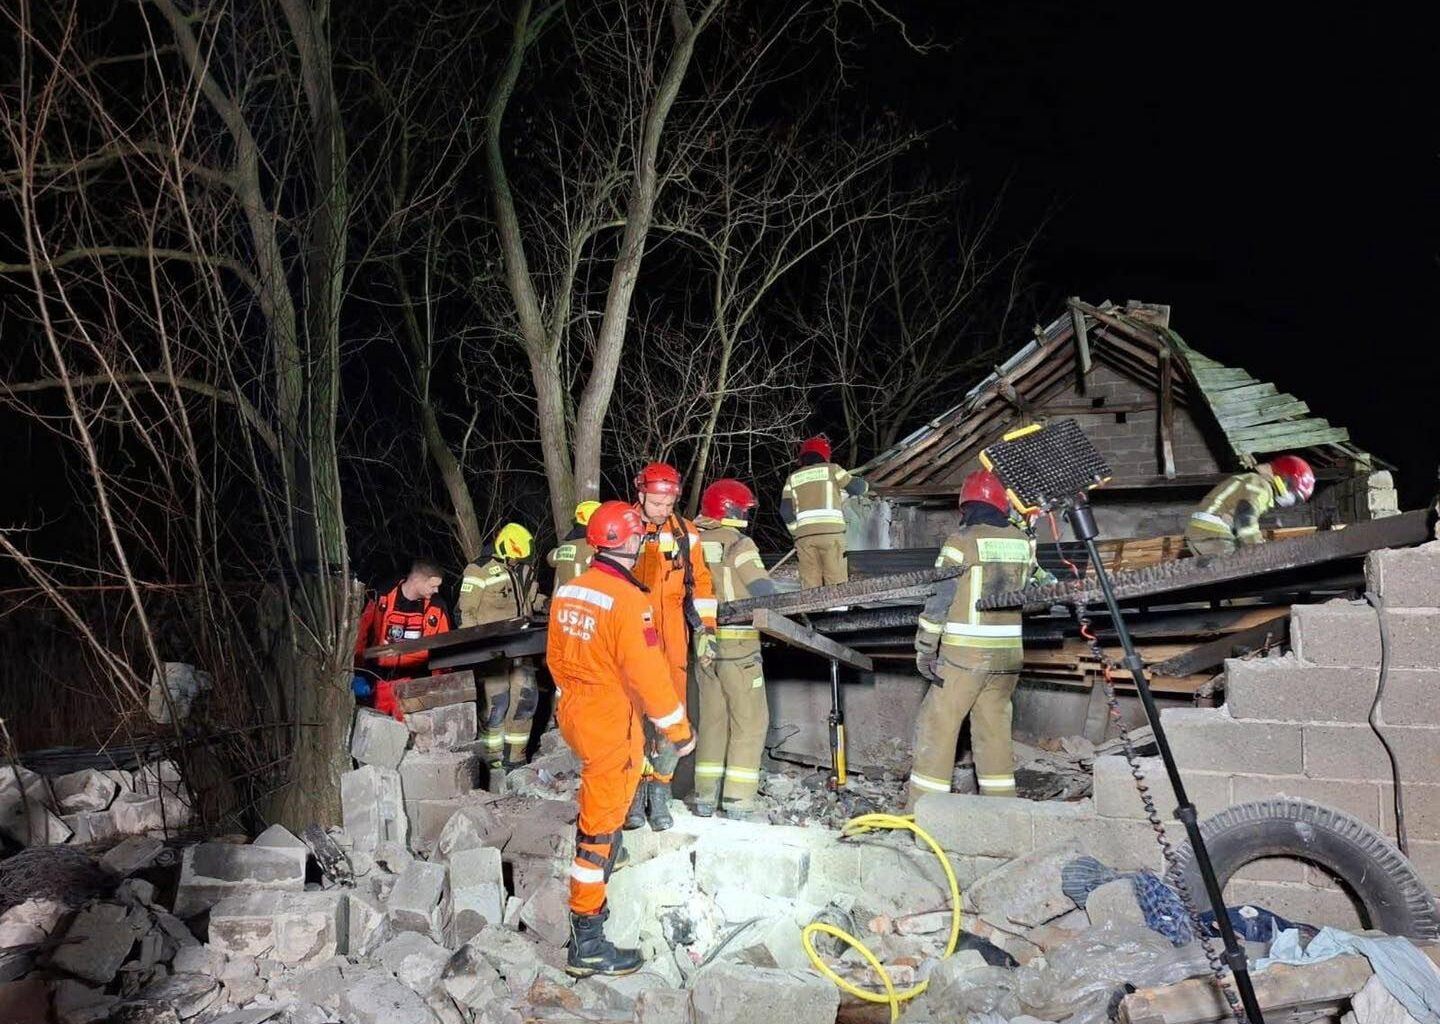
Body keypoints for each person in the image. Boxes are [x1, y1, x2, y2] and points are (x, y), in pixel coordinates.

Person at [547, 501, 695, 977]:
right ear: (630, 542)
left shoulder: (570, 589)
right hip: (612, 719)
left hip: (575, 708)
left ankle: (605, 857)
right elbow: (650, 676)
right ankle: (586, 939)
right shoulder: (630, 601)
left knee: (603, 807)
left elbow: (554, 657)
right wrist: (679, 731)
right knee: (598, 828)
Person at [907, 470, 1035, 809]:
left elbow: (940, 598)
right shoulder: (1023, 542)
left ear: (967, 506)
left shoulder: (960, 541)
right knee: (993, 732)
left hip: (965, 657)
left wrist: (925, 646)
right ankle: (1002, 812)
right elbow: (1037, 585)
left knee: (938, 726)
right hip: (1008, 659)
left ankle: (924, 814)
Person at [628, 462, 717, 831]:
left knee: (672, 715)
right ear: (641, 493)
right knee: (631, 717)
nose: (665, 508)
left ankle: (660, 790)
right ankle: (632, 793)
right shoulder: (622, 529)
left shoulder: (687, 534)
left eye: (670, 502)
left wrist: (706, 631)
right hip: (631, 638)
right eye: (658, 501)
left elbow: (703, 587)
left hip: (673, 641)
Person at [692, 478, 777, 818]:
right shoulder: (739, 545)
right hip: (739, 648)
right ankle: (738, 801)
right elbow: (764, 591)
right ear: (733, 511)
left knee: (712, 721)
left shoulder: (691, 541)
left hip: (703, 646)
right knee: (751, 721)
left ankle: (703, 797)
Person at [458, 523, 542, 769]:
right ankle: (492, 760)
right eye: (516, 557)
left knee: (526, 700)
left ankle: (516, 759)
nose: (518, 562)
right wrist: (474, 649)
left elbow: (531, 600)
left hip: (521, 647)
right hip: (491, 650)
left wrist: (550, 603)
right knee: (497, 703)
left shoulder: (523, 569)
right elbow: (467, 612)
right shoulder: (479, 569)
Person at [353, 558, 452, 719]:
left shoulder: (437, 607)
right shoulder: (382, 595)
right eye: (433, 586)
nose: (436, 591)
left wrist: (439, 683)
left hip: (416, 683)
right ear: (418, 580)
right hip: (379, 682)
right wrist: (357, 670)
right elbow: (360, 633)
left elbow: (444, 648)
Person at [780, 435, 869, 590]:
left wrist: (797, 532)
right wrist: (864, 483)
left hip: (805, 540)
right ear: (825, 454)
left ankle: (813, 613)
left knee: (809, 585)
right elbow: (857, 488)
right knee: (836, 584)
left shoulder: (792, 479)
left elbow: (785, 511)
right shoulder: (832, 470)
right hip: (831, 537)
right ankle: (837, 613)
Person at [1184, 455, 1316, 558]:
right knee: (1237, 568)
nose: (1289, 500)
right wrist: (1258, 547)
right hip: (1213, 530)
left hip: (1201, 529)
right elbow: (1245, 518)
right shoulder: (1261, 486)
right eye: (1293, 495)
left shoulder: (1254, 481)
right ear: (1284, 477)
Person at [548, 500, 602, 593]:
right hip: (578, 603)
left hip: (558, 602)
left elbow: (550, 558)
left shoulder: (563, 547)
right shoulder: (592, 550)